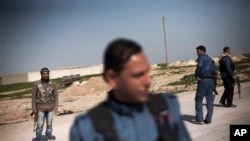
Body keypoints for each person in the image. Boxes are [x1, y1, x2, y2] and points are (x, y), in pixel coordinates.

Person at [70, 38, 191, 141]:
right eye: (138, 75)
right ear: (112, 78)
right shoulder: (87, 128)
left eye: (147, 72)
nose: (148, 81)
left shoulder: (166, 107)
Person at [32, 67, 58, 141]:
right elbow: (33, 96)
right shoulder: (36, 84)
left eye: (47, 73)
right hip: (40, 108)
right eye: (44, 73)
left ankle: (49, 137)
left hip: (50, 107)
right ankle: (39, 138)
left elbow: (56, 95)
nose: (46, 75)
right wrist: (34, 108)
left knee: (49, 124)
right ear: (41, 74)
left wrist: (56, 106)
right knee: (40, 124)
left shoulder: (53, 83)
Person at [194, 45, 216, 124]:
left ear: (202, 50)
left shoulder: (201, 58)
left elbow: (199, 66)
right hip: (210, 81)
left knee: (198, 99)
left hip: (203, 81)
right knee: (210, 100)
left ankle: (200, 119)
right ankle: (208, 119)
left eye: (198, 51)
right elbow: (214, 71)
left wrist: (197, 75)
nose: (197, 52)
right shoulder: (211, 59)